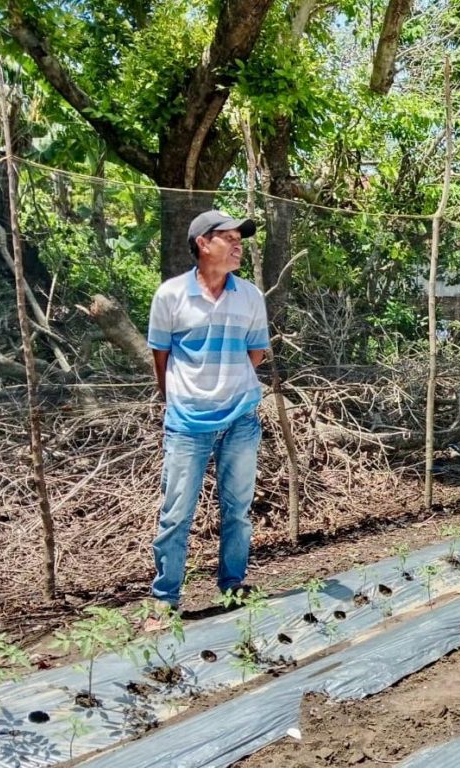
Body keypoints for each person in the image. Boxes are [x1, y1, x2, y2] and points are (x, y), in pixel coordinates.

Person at [146, 210, 270, 611]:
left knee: (238, 510)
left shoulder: (249, 296)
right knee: (176, 513)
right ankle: (165, 599)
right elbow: (161, 357)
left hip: (241, 419)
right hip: (187, 423)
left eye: (240, 240)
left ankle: (233, 587)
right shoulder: (170, 296)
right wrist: (183, 397)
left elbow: (256, 352)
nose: (238, 246)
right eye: (228, 238)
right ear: (203, 243)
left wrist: (229, 387)